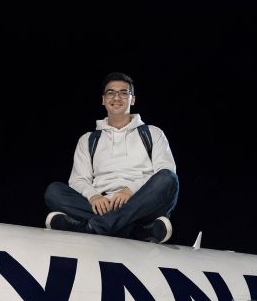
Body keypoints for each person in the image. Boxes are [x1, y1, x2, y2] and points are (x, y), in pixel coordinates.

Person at [44, 72, 179, 243]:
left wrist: (130, 190)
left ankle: (92, 227)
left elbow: (165, 171)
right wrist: (94, 196)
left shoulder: (153, 133)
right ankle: (137, 230)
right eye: (111, 93)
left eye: (123, 93)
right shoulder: (88, 139)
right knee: (54, 191)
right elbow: (78, 180)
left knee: (168, 178)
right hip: (101, 204)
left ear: (132, 99)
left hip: (140, 202)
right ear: (103, 100)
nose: (116, 97)